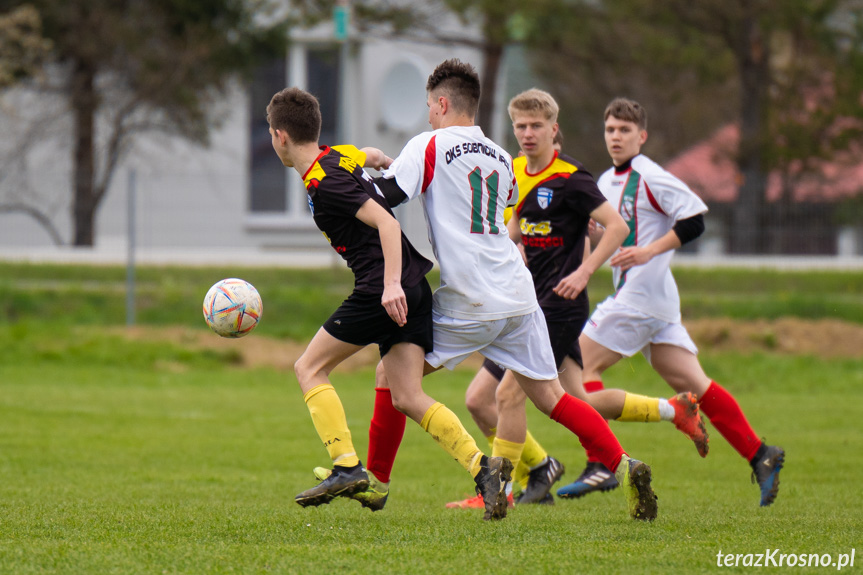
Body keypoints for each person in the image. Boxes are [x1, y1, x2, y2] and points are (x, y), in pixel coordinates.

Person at [369, 60, 658, 521]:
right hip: (520, 296)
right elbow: (495, 207)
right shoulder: (502, 158)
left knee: (392, 377)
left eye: (429, 107)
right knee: (554, 399)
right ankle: (626, 464)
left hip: (469, 298)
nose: (427, 116)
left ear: (442, 104)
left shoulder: (426, 145)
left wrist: (357, 164)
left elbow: (383, 197)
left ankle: (376, 480)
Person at [445, 89, 708, 510]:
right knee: (568, 401)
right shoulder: (511, 171)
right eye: (521, 126)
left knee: (507, 396)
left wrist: (584, 271)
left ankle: (502, 493)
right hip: (524, 304)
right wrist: (504, 250)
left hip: (559, 306)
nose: (528, 134)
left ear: (554, 129)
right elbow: (513, 232)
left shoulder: (572, 178)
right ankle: (671, 411)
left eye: (536, 126)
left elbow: (617, 228)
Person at [266, 87, 512, 520]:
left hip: (385, 289)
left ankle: (345, 466)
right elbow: (356, 156)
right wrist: (375, 157)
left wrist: (389, 285)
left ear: (279, 136)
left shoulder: (325, 183)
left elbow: (385, 223)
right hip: (415, 286)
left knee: (309, 367)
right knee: (408, 395)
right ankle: (483, 470)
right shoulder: (334, 158)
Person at [564, 97, 784, 507]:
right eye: (610, 129)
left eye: (625, 130)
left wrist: (648, 251)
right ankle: (760, 454)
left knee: (577, 369)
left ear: (641, 136)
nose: (616, 137)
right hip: (655, 300)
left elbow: (695, 218)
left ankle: (600, 462)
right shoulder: (609, 181)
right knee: (695, 386)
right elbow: (622, 233)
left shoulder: (651, 175)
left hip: (640, 295)